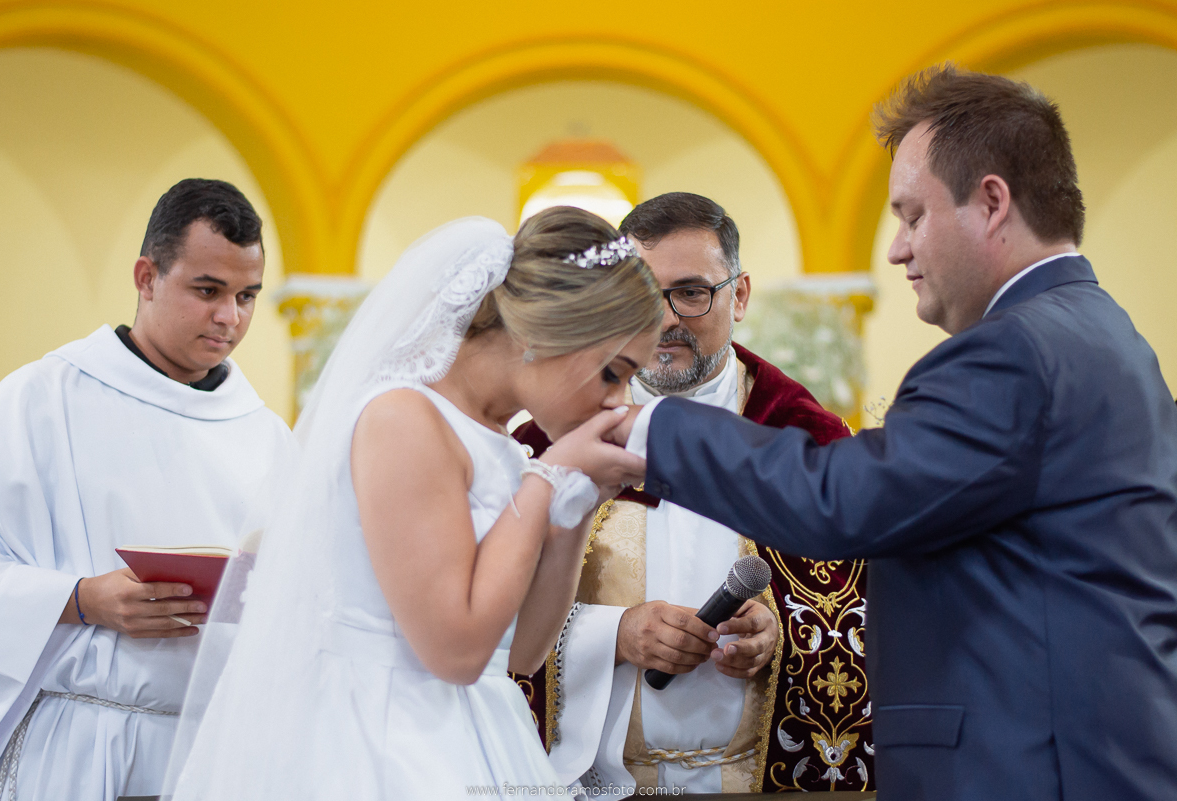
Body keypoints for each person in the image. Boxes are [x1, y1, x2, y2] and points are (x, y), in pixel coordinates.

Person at [613, 65, 1177, 801]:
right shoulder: (1105, 333)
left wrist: (649, 427)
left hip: (1032, 766)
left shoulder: (1012, 351)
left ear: (992, 203)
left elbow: (842, 502)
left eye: (912, 216)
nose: (897, 250)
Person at [163, 208, 662, 800]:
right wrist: (549, 481)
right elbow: (455, 650)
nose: (617, 401)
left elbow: (522, 652)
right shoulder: (403, 418)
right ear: (542, 332)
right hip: (381, 737)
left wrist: (580, 499)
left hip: (476, 723)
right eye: (612, 371)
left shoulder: (500, 440)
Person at [512, 193, 871, 794]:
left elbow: (856, 623)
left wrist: (776, 635)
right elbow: (486, 626)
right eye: (643, 295)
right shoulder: (545, 443)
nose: (664, 318)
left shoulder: (808, 443)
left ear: (740, 295)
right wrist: (615, 636)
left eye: (692, 292)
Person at [0, 178, 296, 801]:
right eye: (207, 290)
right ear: (146, 277)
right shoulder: (42, 401)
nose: (229, 317)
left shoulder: (268, 437)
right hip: (77, 743)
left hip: (214, 756)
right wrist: (80, 598)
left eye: (247, 295)